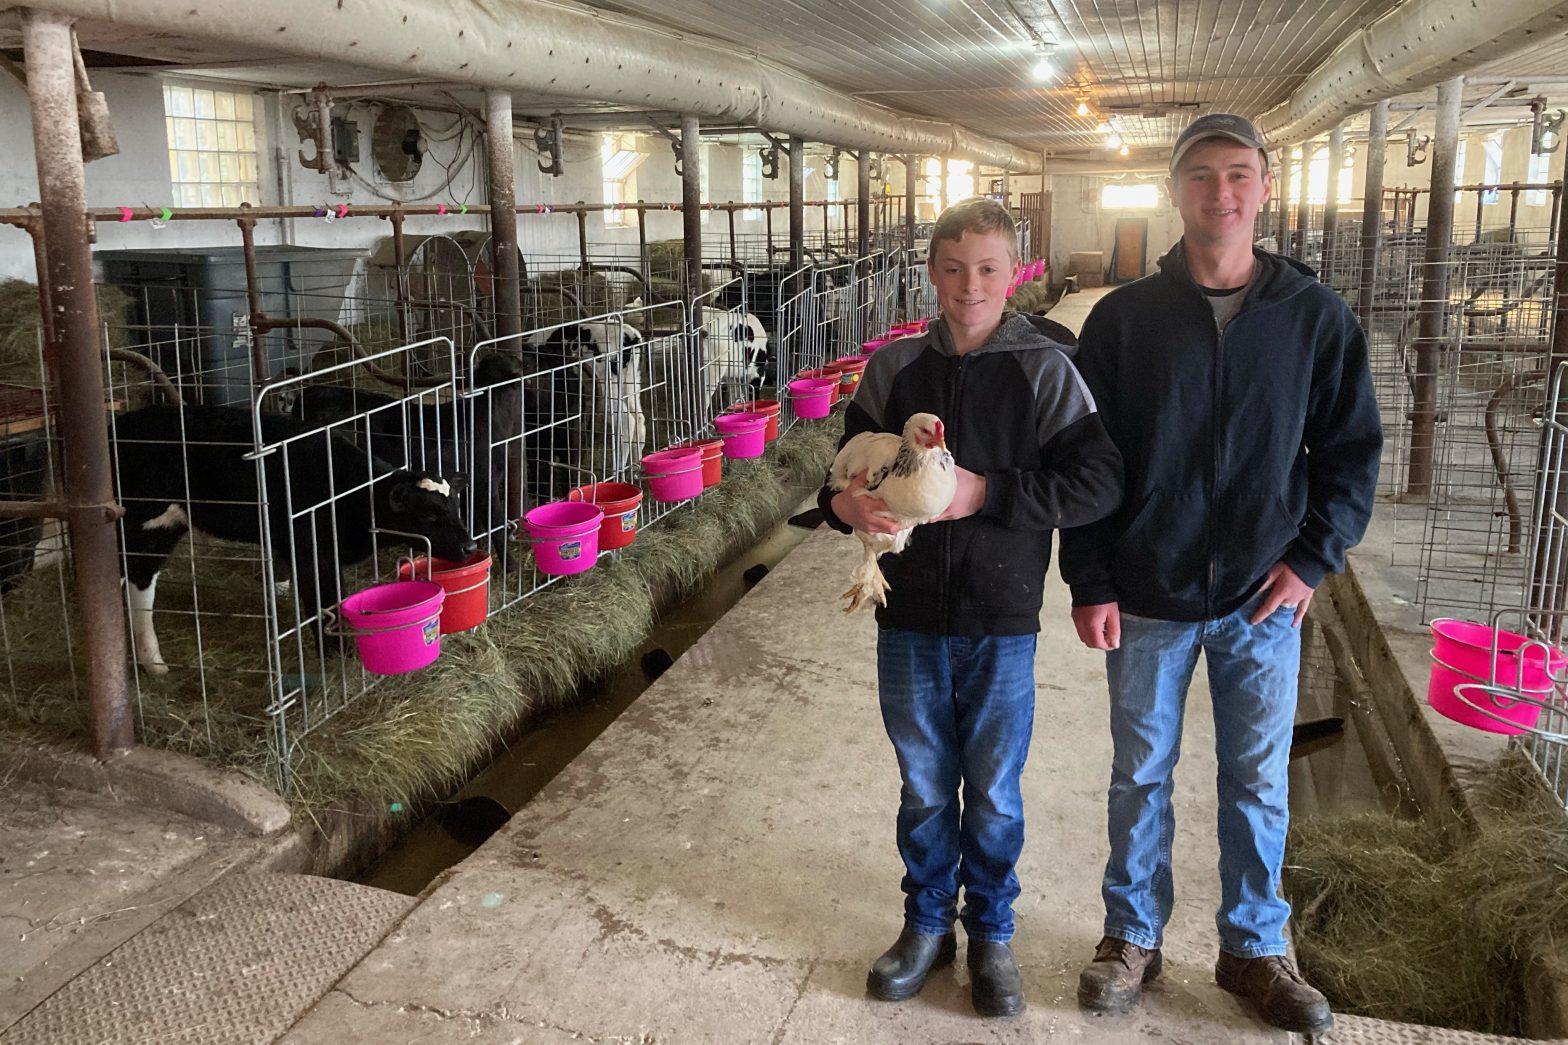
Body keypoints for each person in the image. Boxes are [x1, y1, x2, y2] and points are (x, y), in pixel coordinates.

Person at [1058, 113, 1382, 1037]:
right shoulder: (1123, 321)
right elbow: (1090, 462)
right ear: (1176, 192)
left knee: (1256, 778)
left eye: (1239, 174)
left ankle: (1252, 946)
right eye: (1202, 176)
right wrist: (1088, 575)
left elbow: (1352, 452)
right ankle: (1132, 934)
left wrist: (1313, 556)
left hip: (1259, 597)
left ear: (1264, 189)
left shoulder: (1315, 319)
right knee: (1140, 772)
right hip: (1147, 589)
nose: (1222, 192)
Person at [818, 196, 1123, 1018]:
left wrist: (989, 493)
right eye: (952, 269)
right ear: (931, 274)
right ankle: (926, 925)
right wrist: (844, 509)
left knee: (992, 789)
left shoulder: (1045, 367)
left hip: (1000, 617)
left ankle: (990, 931)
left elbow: (1097, 480)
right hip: (908, 615)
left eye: (987, 268)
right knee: (923, 784)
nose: (968, 285)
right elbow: (840, 473)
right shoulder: (893, 371)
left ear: (1014, 272)